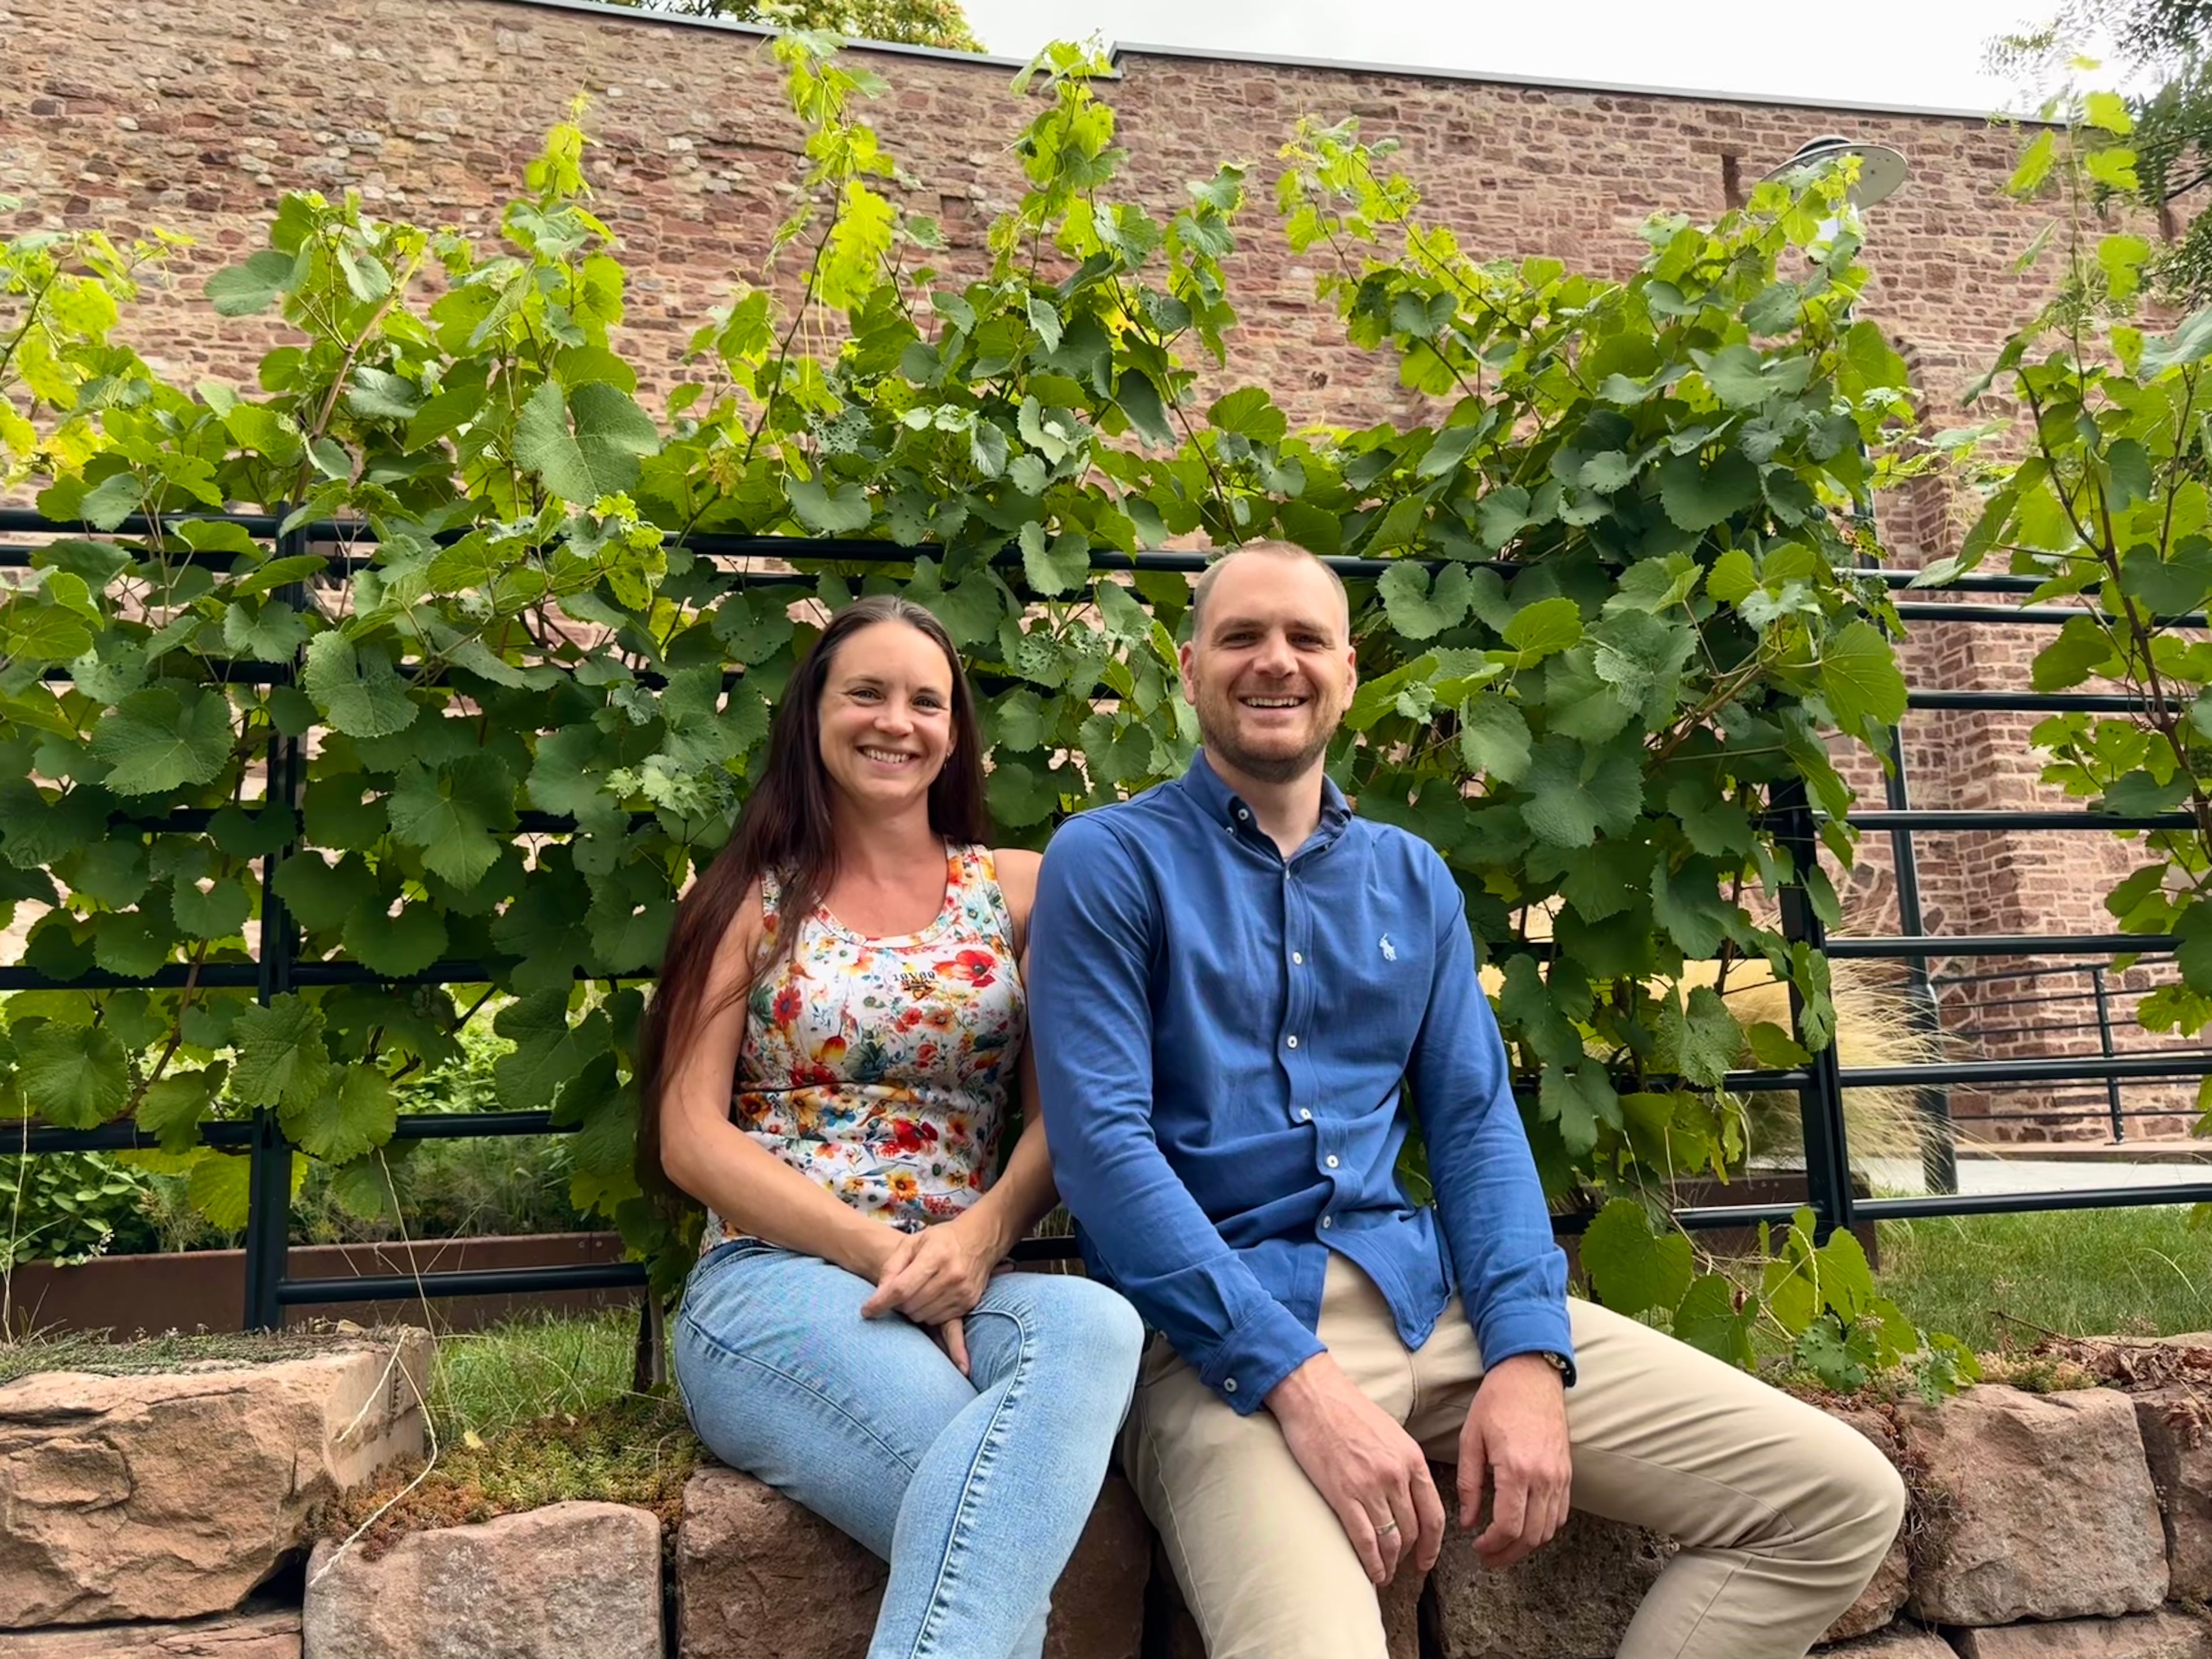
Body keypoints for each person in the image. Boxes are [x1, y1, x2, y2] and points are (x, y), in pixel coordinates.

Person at [1028, 542, 1907, 1659]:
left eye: (1305, 639)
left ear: (1348, 673)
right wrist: (1302, 1385)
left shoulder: (1410, 878)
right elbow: (1105, 1158)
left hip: (1427, 1305)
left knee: (1837, 1501)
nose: (1276, 662)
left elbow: (1477, 1127)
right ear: (1191, 668)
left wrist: (1529, 1354)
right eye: (1242, 636)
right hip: (1219, 1351)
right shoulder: (1110, 862)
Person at [643, 594, 1143, 1659]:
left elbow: (1068, 1117)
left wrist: (978, 1239)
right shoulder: (747, 901)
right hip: (775, 1277)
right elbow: (688, 1134)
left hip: (968, 1276)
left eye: (926, 701)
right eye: (865, 693)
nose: (896, 721)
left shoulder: (1020, 893)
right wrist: (881, 1253)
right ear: (814, 714)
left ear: (954, 733)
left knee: (1098, 1327)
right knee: (992, 1519)